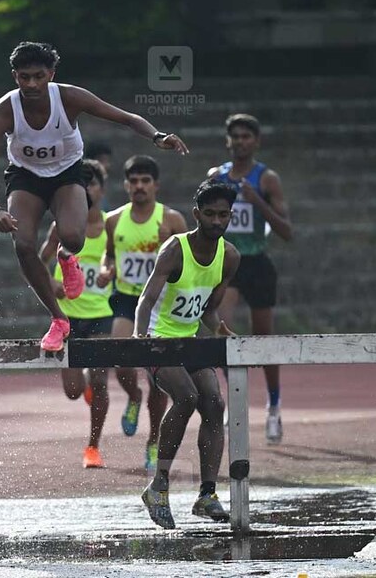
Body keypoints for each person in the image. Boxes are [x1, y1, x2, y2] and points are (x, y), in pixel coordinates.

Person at [0, 41, 188, 351]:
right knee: (22, 244)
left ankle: (65, 256)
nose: (31, 84)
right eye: (24, 77)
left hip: (66, 174)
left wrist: (156, 135)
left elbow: (126, 118)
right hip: (25, 177)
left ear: (51, 73)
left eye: (38, 76)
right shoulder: (4, 111)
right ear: (14, 76)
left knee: (74, 238)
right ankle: (59, 320)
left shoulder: (70, 98)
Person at [135, 179, 240, 529]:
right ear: (197, 214)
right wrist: (139, 336)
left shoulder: (230, 256)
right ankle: (159, 485)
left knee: (214, 402)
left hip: (190, 340)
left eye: (223, 215)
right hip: (159, 338)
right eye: (209, 214)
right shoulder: (174, 249)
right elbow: (147, 298)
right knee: (186, 396)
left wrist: (219, 329)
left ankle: (206, 494)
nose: (216, 221)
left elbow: (207, 308)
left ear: (230, 216)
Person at [206, 114, 292, 444]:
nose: (240, 141)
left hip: (256, 262)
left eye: (246, 137)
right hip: (227, 262)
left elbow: (287, 231)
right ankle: (235, 398)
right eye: (235, 137)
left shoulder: (266, 179)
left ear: (256, 141)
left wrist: (257, 203)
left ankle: (273, 405)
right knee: (221, 328)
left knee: (264, 338)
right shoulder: (217, 176)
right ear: (228, 141)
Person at [99, 155, 189, 470]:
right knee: (120, 357)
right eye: (133, 181)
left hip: (160, 305)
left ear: (155, 185)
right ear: (125, 185)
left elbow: (186, 263)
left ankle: (153, 440)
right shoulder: (114, 220)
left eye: (145, 181)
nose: (139, 186)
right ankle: (133, 396)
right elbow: (108, 255)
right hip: (126, 298)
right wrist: (106, 270)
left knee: (159, 379)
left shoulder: (173, 221)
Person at [39, 159, 111, 469]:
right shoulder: (62, 226)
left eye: (92, 183)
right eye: (82, 184)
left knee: (101, 380)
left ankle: (93, 446)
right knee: (72, 391)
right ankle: (85, 382)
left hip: (101, 314)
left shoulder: (112, 225)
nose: (87, 189)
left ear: (102, 189)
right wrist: (53, 281)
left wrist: (110, 272)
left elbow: (116, 261)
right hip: (67, 316)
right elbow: (40, 261)